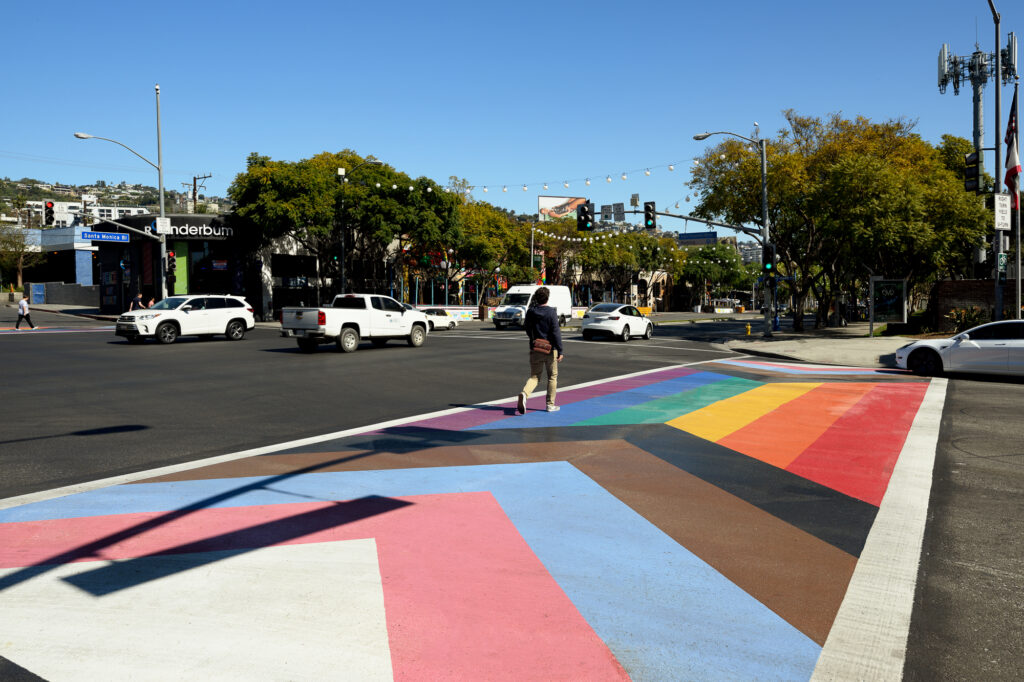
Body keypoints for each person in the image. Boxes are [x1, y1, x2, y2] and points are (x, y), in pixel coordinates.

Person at [517, 286, 564, 414]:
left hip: (536, 348)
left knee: (535, 377)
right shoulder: (551, 312)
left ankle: (524, 393)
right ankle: (550, 404)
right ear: (547, 298)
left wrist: (533, 339)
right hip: (550, 349)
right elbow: (556, 333)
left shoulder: (531, 312)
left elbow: (526, 327)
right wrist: (560, 350)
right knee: (552, 377)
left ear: (536, 298)